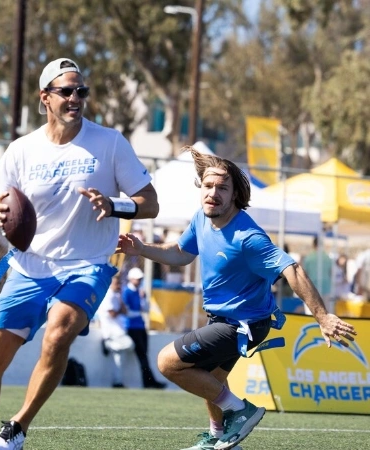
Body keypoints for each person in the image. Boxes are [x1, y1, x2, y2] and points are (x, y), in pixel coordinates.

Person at [0, 57, 159, 450]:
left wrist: (115, 205)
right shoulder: (21, 149)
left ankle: (16, 428)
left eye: (81, 91)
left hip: (88, 265)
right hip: (28, 268)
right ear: (45, 97)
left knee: (58, 334)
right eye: (66, 91)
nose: (75, 98)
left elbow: (149, 203)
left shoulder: (110, 143)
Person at [117, 146, 357, 450]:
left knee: (168, 362)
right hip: (223, 319)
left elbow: (293, 269)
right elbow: (180, 253)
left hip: (245, 324)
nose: (213, 193)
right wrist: (142, 249)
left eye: (222, 188)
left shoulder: (248, 237)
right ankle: (219, 437)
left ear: (235, 195)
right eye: (208, 185)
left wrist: (322, 316)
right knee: (211, 377)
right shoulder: (201, 219)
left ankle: (241, 410)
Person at [122, 267, 167, 389]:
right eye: (137, 279)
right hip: (132, 327)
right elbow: (127, 312)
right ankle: (149, 382)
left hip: (141, 327)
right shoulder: (126, 292)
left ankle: (149, 381)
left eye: (140, 279)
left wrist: (143, 298)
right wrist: (139, 311)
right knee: (142, 355)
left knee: (144, 355)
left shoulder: (139, 292)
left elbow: (146, 309)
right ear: (131, 279)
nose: (139, 281)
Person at [98, 274, 133, 388]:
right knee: (130, 344)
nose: (119, 286)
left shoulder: (116, 295)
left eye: (119, 283)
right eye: (116, 284)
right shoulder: (108, 295)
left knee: (118, 360)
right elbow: (112, 313)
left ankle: (117, 382)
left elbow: (125, 311)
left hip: (118, 332)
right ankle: (107, 343)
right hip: (112, 332)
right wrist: (120, 310)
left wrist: (120, 298)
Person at [302, 236, 333, 313]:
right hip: (326, 288)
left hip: (311, 288)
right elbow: (331, 273)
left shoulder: (309, 258)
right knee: (325, 312)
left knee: (311, 313)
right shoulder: (327, 257)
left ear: (313, 245)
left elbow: (304, 274)